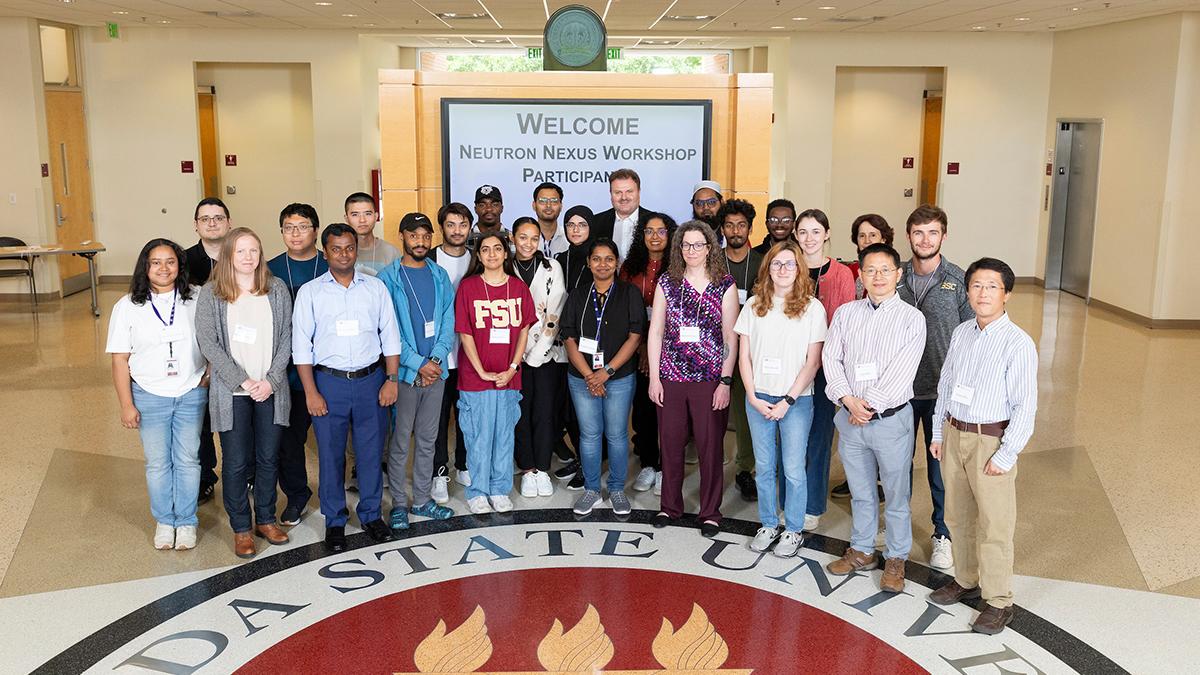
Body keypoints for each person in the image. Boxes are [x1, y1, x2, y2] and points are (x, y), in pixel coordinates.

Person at [927, 257, 1037, 636]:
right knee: (957, 516)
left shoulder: (1018, 343)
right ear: (967, 291)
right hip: (954, 433)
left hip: (991, 440)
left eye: (992, 286)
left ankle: (999, 600)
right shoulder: (962, 332)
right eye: (976, 285)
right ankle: (966, 578)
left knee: (994, 523)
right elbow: (946, 385)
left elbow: (1025, 406)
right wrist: (938, 434)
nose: (983, 293)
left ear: (1007, 294)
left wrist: (1006, 454)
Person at [822, 243, 926, 594]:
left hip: (891, 421)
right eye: (870, 270)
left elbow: (902, 371)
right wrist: (847, 400)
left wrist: (866, 407)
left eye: (885, 270)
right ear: (861, 275)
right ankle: (862, 549)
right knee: (861, 492)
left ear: (899, 274)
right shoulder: (846, 314)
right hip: (851, 418)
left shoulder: (912, 318)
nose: (878, 276)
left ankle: (896, 557)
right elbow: (831, 359)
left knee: (896, 495)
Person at [292, 223, 402, 553]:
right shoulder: (310, 292)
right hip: (329, 383)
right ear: (325, 252)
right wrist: (311, 392)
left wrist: (391, 380)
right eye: (336, 249)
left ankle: (371, 514)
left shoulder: (375, 288)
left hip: (371, 381)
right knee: (330, 455)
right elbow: (301, 347)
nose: (344, 254)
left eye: (349, 248)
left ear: (356, 250)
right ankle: (335, 520)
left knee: (371, 453)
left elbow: (390, 336)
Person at [196, 227, 293, 559]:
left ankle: (265, 519)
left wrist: (271, 381)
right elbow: (208, 343)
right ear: (228, 255)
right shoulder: (211, 293)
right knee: (236, 462)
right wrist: (243, 380)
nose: (248, 257)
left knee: (268, 458)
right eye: (240, 251)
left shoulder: (276, 289)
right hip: (232, 393)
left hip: (270, 390)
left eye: (254, 250)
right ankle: (241, 527)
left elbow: (287, 337)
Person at [107, 239, 208, 551]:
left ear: (180, 265)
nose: (164, 268)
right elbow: (119, 360)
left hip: (190, 392)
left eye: (170, 261)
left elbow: (216, 338)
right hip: (149, 394)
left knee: (188, 460)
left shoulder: (197, 298)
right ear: (145, 267)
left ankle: (187, 521)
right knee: (158, 463)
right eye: (156, 262)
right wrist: (126, 404)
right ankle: (165, 521)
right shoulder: (127, 306)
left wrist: (208, 375)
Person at [648, 221, 739, 538]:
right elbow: (656, 332)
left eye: (698, 244)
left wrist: (725, 381)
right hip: (671, 378)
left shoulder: (725, 285)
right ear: (679, 248)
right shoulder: (667, 282)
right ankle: (669, 506)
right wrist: (655, 378)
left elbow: (730, 337)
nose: (691, 250)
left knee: (710, 448)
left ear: (710, 248)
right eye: (686, 244)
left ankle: (710, 512)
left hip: (710, 379)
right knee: (670, 445)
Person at [737, 241, 826, 557]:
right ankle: (768, 523)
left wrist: (787, 400)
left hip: (796, 402)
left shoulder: (813, 308)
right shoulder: (753, 305)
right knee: (763, 467)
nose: (783, 269)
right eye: (777, 263)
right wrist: (752, 396)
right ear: (768, 269)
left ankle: (793, 529)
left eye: (790, 263)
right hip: (758, 398)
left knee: (793, 468)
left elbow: (813, 362)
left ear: (799, 268)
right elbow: (744, 357)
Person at [897, 204, 974, 571]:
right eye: (918, 233)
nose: (925, 240)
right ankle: (897, 528)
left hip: (941, 394)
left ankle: (943, 534)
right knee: (896, 466)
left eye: (932, 233)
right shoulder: (894, 276)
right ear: (908, 236)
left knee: (939, 469)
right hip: (898, 390)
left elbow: (973, 336)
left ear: (944, 236)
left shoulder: (958, 280)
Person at [378, 213, 457, 530]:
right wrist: (418, 363)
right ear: (402, 236)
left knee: (428, 439)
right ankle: (399, 504)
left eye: (425, 235)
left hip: (436, 373)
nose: (420, 241)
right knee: (400, 442)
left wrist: (435, 360)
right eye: (414, 235)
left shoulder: (439, 275)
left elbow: (448, 320)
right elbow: (388, 330)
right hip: (405, 375)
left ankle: (422, 500)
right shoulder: (388, 278)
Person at [454, 231, 535, 514]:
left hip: (508, 378)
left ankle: (500, 489)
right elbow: (465, 333)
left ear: (505, 253)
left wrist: (512, 368)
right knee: (478, 436)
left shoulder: (518, 288)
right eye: (485, 249)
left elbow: (523, 331)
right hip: (475, 379)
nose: (492, 254)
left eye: (497, 249)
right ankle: (477, 491)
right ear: (478, 255)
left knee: (504, 435)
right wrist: (481, 371)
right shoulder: (468, 287)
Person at [562, 238, 644, 516]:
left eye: (609, 259)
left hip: (618, 378)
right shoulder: (578, 295)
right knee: (589, 435)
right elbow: (569, 337)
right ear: (588, 263)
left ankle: (617, 489)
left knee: (617, 435)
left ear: (617, 263)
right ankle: (592, 490)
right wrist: (590, 376)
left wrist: (606, 372)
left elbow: (635, 337)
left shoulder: (629, 293)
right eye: (596, 259)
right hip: (582, 378)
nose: (603, 264)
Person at [794, 208, 858, 525]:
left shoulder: (842, 274)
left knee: (819, 436)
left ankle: (812, 505)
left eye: (816, 231)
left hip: (824, 367)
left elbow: (844, 324)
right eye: (803, 232)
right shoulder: (787, 267)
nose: (809, 238)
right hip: (790, 366)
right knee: (791, 436)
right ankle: (791, 499)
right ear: (795, 235)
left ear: (827, 234)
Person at [266, 203, 327, 526]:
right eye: (289, 227)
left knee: (332, 439)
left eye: (303, 226)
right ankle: (297, 495)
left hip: (328, 368)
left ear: (315, 230)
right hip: (287, 370)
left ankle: (332, 495)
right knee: (289, 441)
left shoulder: (332, 264)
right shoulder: (269, 270)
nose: (295, 233)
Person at [619, 211, 677, 495]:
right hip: (636, 346)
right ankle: (648, 464)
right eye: (649, 231)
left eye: (661, 231)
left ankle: (667, 468)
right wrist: (642, 346)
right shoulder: (629, 269)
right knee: (643, 409)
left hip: (673, 350)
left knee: (670, 410)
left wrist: (656, 346)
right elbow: (625, 311)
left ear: (671, 235)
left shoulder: (679, 267)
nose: (655, 236)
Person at [511, 217, 568, 499]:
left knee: (544, 413)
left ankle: (543, 468)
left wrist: (535, 353)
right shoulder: (504, 266)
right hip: (513, 355)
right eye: (523, 237)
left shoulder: (551, 267)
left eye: (534, 238)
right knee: (520, 413)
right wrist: (518, 355)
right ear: (513, 238)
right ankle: (527, 468)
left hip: (545, 354)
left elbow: (555, 312)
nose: (528, 243)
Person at [186, 197, 230, 504]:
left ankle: (244, 473)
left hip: (236, 352)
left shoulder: (242, 254)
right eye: (205, 219)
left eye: (218, 218)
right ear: (196, 225)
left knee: (235, 420)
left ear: (228, 222)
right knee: (200, 422)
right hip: (196, 353)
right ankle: (205, 477)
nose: (212, 223)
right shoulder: (184, 261)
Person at [720, 199, 764, 502]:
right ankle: (712, 465)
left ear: (749, 228)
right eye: (730, 225)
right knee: (712, 410)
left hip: (752, 348)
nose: (736, 231)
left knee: (746, 409)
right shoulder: (712, 261)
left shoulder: (763, 261)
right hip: (715, 347)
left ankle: (744, 468)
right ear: (722, 229)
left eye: (741, 225)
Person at [430, 203, 474, 498]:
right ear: (442, 227)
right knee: (437, 417)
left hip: (469, 355)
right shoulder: (430, 259)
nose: (457, 231)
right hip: (438, 355)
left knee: (466, 413)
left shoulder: (478, 259)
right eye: (451, 224)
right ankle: (439, 471)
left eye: (463, 224)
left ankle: (464, 463)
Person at [553, 205, 597, 489]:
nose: (576, 229)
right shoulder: (559, 260)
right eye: (571, 224)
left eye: (582, 224)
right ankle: (582, 458)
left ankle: (590, 465)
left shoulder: (598, 258)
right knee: (568, 409)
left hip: (590, 344)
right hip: (561, 341)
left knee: (587, 411)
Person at [593, 168, 652, 259]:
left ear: (639, 192)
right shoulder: (595, 222)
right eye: (618, 192)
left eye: (629, 191)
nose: (624, 197)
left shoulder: (655, 221)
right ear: (610, 194)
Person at [345, 192, 399, 276]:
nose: (362, 220)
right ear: (346, 218)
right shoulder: (341, 252)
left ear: (376, 216)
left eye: (368, 214)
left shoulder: (390, 252)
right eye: (355, 215)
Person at [847, 213, 895, 298]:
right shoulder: (849, 271)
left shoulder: (893, 271)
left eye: (873, 235)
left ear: (883, 239)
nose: (867, 241)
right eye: (862, 236)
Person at [533, 182, 569, 257]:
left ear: (561, 206)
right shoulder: (525, 240)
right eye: (543, 201)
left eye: (554, 201)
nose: (548, 205)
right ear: (534, 205)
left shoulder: (569, 237)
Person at [690, 180, 725, 244]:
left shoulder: (731, 233)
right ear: (693, 205)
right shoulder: (687, 234)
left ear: (721, 202)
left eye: (711, 202)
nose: (705, 208)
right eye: (699, 203)